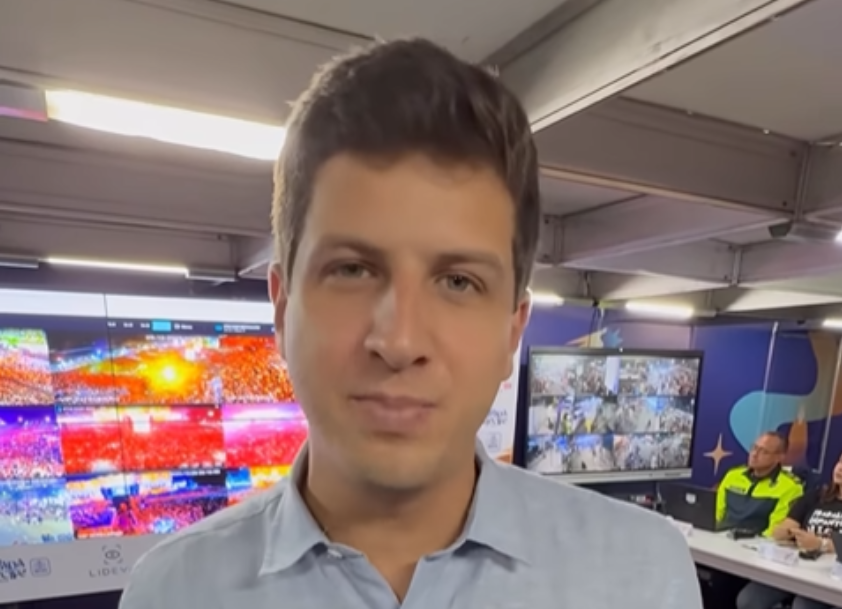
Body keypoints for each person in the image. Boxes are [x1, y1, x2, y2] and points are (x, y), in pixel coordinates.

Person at [118, 38, 702, 608]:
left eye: (458, 282)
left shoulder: (643, 576)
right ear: (282, 306)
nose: (399, 342)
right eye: (352, 270)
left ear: (512, 331)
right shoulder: (172, 592)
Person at [736, 451, 842, 609]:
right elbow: (783, 527)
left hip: (830, 578)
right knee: (748, 599)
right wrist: (788, 533)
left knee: (802, 606)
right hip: (797, 568)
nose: (840, 468)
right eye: (840, 462)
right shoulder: (817, 496)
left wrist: (821, 544)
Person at [717, 431, 804, 536]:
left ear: (779, 457)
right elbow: (717, 515)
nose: (754, 454)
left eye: (764, 452)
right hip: (722, 536)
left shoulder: (791, 487)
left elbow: (775, 530)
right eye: (754, 448)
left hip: (755, 541)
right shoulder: (733, 475)